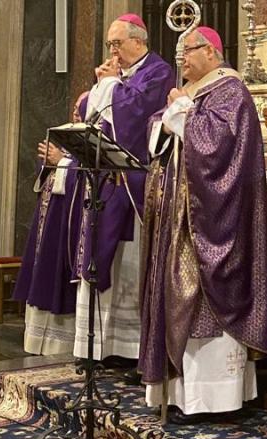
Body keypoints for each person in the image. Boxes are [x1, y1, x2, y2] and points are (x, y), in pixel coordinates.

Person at [139, 26, 267, 424]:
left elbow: (218, 148)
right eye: (180, 52)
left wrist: (181, 111)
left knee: (202, 301)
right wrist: (174, 113)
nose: (183, 59)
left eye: (189, 50)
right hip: (177, 219)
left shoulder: (232, 92)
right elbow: (158, 131)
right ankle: (180, 392)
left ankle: (214, 398)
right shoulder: (193, 93)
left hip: (212, 220)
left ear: (212, 51)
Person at [71, 13, 174, 363]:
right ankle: (98, 345)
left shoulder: (158, 72)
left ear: (138, 41)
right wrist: (102, 85)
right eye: (110, 45)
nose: (113, 51)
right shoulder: (117, 74)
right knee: (101, 260)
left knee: (128, 263)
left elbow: (134, 114)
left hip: (133, 184)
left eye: (117, 43)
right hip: (104, 182)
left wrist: (109, 85)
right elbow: (88, 114)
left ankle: (128, 348)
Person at [12, 96, 86, 355]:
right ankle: (35, 339)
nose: (76, 113)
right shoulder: (65, 133)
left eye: (82, 109)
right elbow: (47, 173)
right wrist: (47, 163)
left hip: (67, 221)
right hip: (48, 215)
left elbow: (86, 175)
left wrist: (62, 162)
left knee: (57, 272)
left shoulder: (91, 139)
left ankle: (59, 342)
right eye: (75, 108)